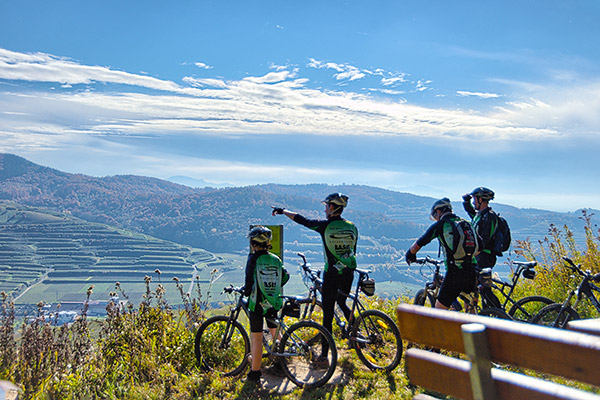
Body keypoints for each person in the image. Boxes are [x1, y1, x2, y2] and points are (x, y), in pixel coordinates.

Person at [272, 193, 358, 363]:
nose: (325, 208)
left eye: (326, 206)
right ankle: (355, 335)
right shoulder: (352, 227)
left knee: (327, 316)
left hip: (332, 274)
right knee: (342, 302)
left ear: (332, 207)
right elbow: (353, 250)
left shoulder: (325, 226)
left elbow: (303, 220)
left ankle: (324, 356)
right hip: (349, 273)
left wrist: (283, 211)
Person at [405, 198, 480, 310]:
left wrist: (410, 255)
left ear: (439, 212)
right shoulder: (466, 223)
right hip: (473, 269)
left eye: (435, 216)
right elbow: (479, 247)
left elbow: (420, 243)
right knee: (469, 308)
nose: (435, 219)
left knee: (439, 311)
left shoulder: (441, 225)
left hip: (455, 272)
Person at [242, 226, 289, 383]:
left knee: (256, 339)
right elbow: (285, 276)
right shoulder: (276, 259)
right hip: (273, 302)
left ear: (254, 244)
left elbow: (248, 283)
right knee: (275, 331)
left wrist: (246, 291)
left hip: (257, 304)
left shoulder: (253, 259)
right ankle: (283, 360)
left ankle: (254, 374)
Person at [462, 187, 501, 307]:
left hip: (486, 256)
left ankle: (500, 314)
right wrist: (466, 201)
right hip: (481, 256)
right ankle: (488, 313)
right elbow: (470, 212)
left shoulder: (490, 216)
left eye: (474, 199)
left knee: (484, 289)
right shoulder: (480, 215)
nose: (473, 202)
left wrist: (473, 253)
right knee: (481, 289)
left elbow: (485, 239)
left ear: (481, 199)